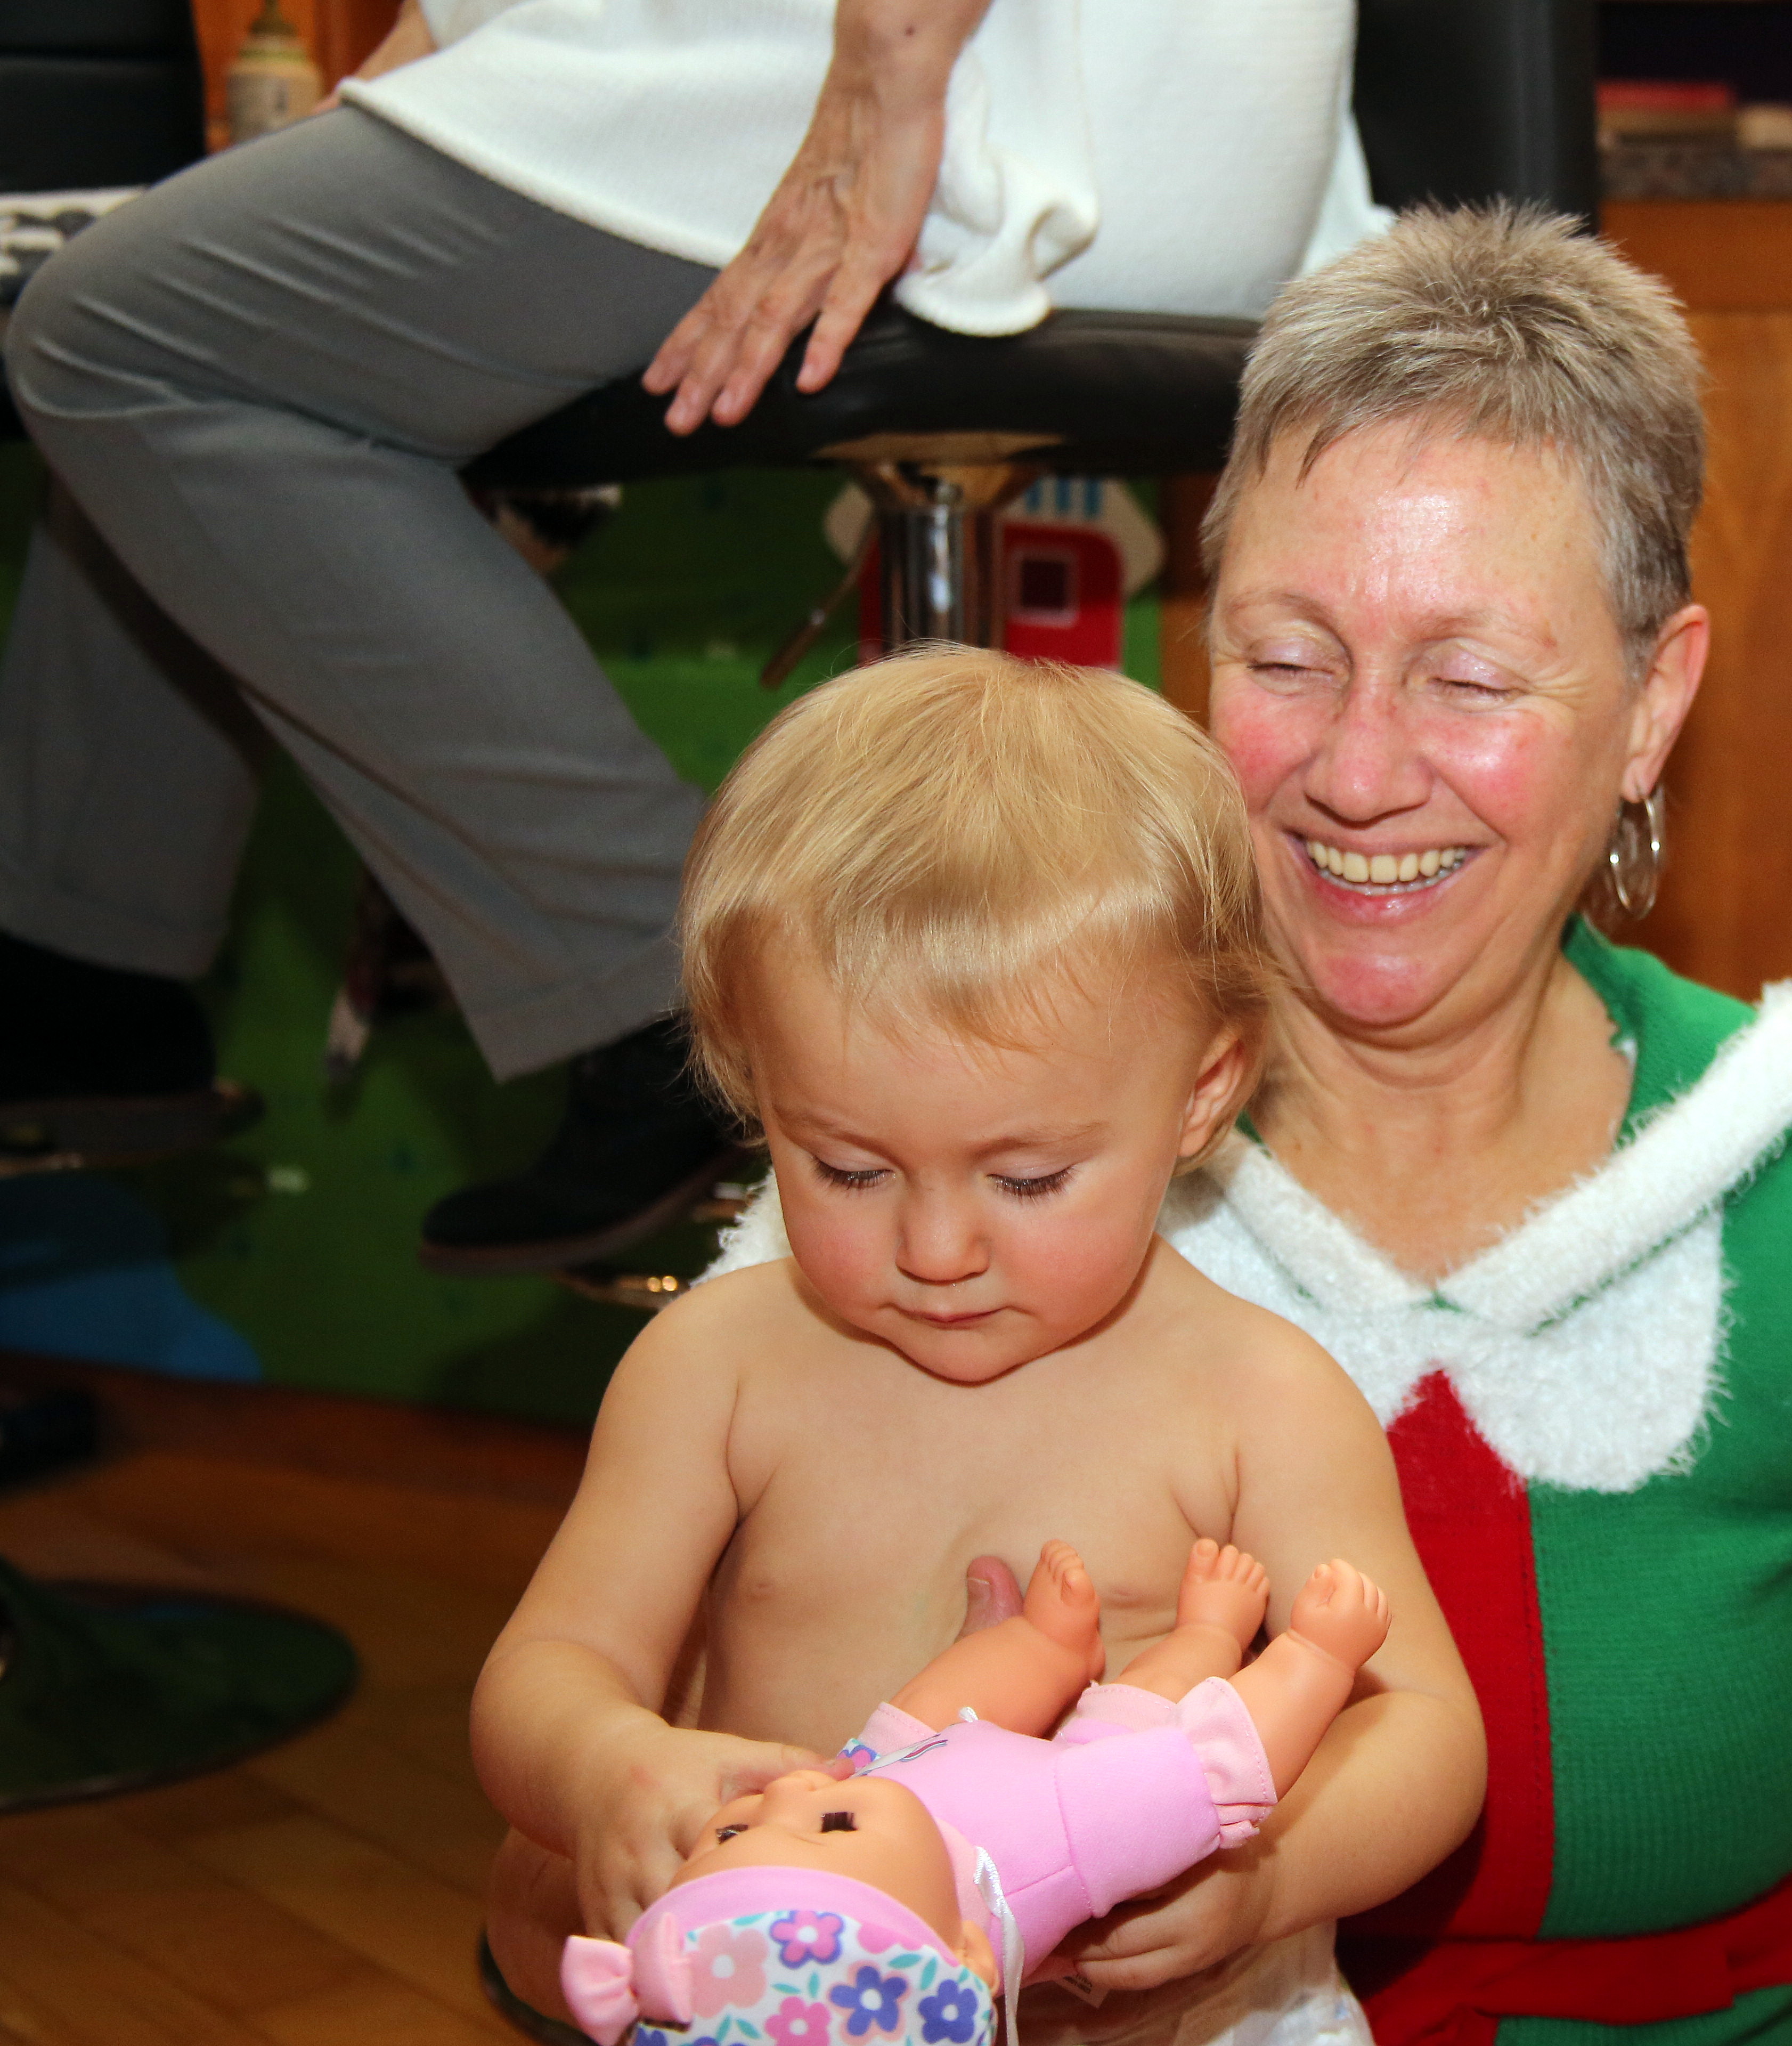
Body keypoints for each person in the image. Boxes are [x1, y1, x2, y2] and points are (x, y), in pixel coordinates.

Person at [725, 207, 1792, 2043]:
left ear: (1653, 701)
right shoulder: (945, 1169)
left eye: (1469, 678)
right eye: (1289, 657)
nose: (1360, 771)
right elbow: (618, 1858)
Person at [0, 0, 1384, 1271]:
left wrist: (891, 68)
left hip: (974, 104)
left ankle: (675, 1002)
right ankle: (83, 974)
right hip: (1146, 126)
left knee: (117, 336)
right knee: (192, 299)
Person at [473, 653, 1483, 2046]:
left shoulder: (1254, 1397)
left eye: (1025, 1179)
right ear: (759, 1083)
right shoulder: (719, 1369)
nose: (938, 1248)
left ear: (1200, 1092)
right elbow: (550, 1663)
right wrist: (605, 1765)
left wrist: (1272, 1879)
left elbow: (1425, 1728)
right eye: (847, 1167)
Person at [556, 1539, 1395, 2046]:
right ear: (964, 1950)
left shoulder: (858, 1799)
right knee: (1148, 1707)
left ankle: (1046, 1645)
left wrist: (863, 1790)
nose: (793, 1790)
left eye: (734, 1834)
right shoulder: (1051, 1839)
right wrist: (1316, 1657)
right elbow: (1217, 1769)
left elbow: (906, 1741)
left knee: (922, 1713)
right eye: (832, 1823)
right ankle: (1210, 1630)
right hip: (1061, 1783)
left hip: (928, 1756)